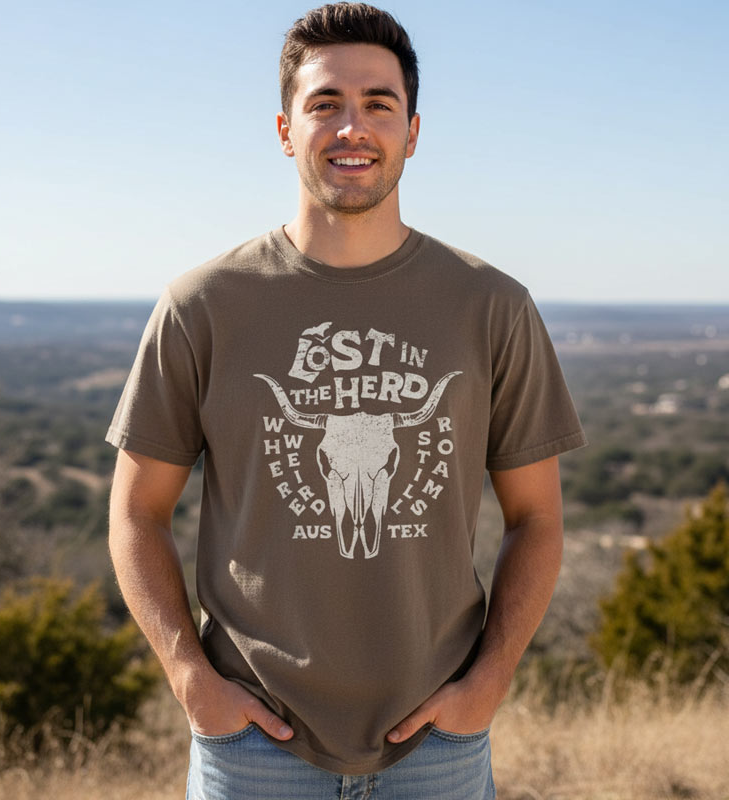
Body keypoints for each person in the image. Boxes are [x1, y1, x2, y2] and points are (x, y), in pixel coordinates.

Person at [106, 3, 587, 798]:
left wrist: (488, 682)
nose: (351, 127)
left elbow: (536, 519)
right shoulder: (203, 306)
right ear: (286, 129)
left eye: (378, 104)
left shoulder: (492, 307)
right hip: (253, 748)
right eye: (324, 103)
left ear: (414, 130)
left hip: (438, 747)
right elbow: (134, 513)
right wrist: (193, 678)